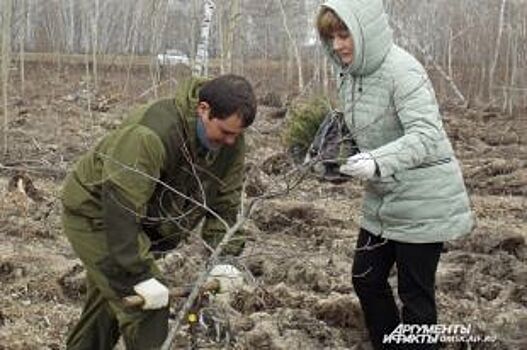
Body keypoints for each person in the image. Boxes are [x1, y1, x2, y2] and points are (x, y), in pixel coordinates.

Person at [315, 1, 474, 349]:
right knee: (365, 277)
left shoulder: (402, 70)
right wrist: (334, 149)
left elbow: (425, 134)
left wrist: (376, 160)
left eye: (345, 35)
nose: (338, 45)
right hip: (384, 195)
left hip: (424, 197)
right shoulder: (349, 74)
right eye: (331, 37)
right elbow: (369, 126)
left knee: (415, 296)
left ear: (365, 32)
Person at [60, 74, 257, 349]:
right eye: (225, 132)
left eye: (237, 135)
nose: (230, 142)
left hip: (145, 223)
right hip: (98, 216)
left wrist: (225, 258)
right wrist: (140, 274)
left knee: (108, 304)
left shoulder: (230, 143)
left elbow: (224, 202)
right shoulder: (151, 134)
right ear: (204, 109)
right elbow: (121, 210)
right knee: (147, 308)